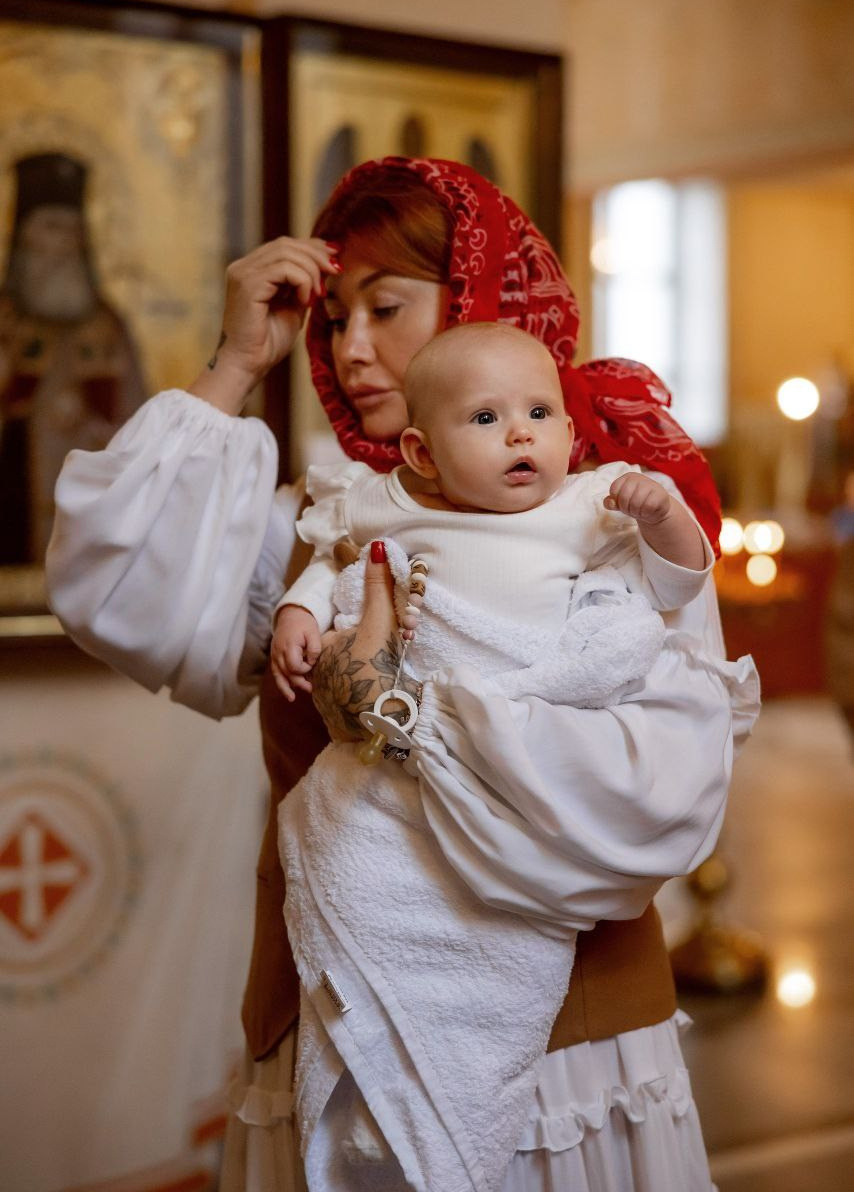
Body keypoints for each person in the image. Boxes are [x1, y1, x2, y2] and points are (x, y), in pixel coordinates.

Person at [46, 157, 757, 1192]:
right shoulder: (327, 520)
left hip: (566, 1049)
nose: (351, 348)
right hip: (338, 1018)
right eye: (332, 319)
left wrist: (407, 714)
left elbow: (662, 783)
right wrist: (236, 362)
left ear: (482, 303)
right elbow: (111, 588)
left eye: (385, 307)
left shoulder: (613, 517)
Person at [272, 320, 710, 704]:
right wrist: (300, 610)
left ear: (568, 431)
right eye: (485, 418)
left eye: (539, 413)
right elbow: (336, 559)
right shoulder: (390, 501)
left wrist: (662, 519)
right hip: (431, 713)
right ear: (423, 453)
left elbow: (671, 588)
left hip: (542, 703)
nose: (521, 433)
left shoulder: (591, 503)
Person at [0, 152, 146, 563]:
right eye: (51, 227)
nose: (65, 243)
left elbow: (140, 424)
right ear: (24, 235)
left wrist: (95, 425)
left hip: (90, 520)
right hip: (14, 504)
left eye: (74, 230)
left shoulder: (108, 328)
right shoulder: (4, 320)